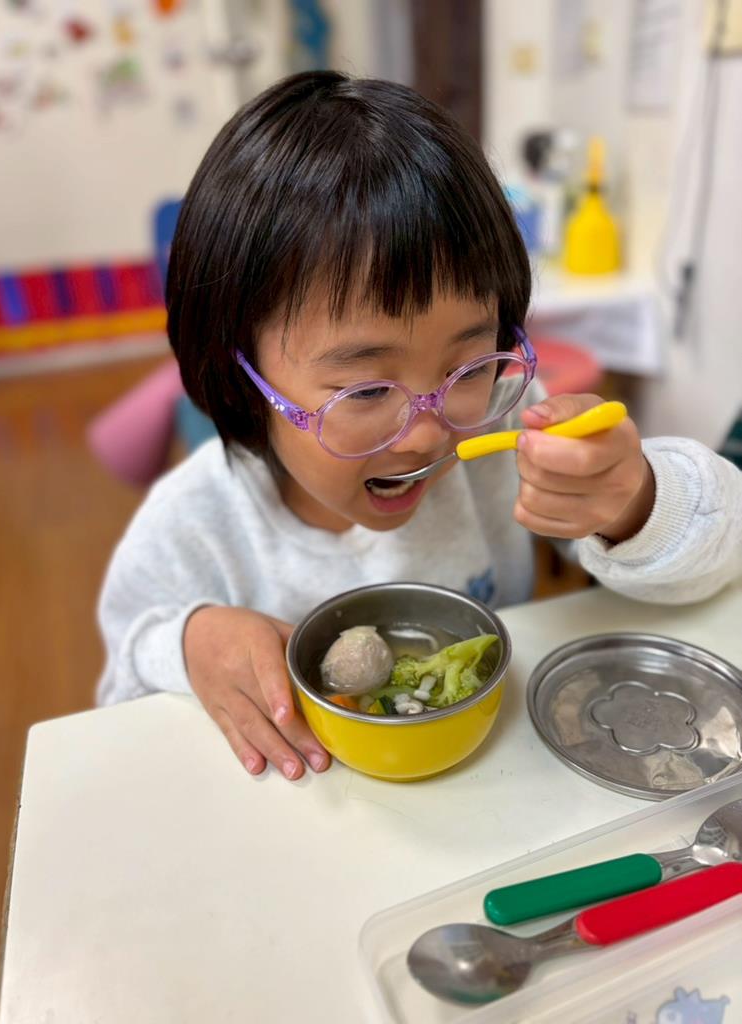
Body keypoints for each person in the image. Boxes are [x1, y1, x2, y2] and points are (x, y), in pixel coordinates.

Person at [96, 71, 742, 780]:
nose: (428, 433)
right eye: (368, 389)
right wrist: (188, 644)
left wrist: (635, 502)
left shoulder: (500, 430)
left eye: (467, 367)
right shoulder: (194, 522)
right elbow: (117, 699)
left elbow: (718, 556)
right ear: (243, 380)